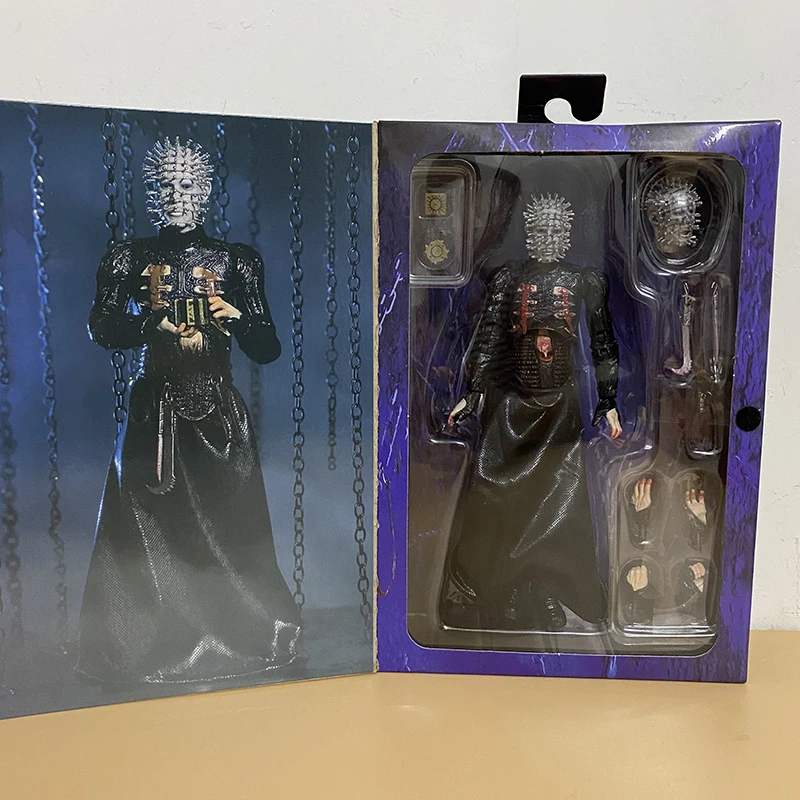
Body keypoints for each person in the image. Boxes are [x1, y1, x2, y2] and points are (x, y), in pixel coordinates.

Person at [78, 138, 300, 683]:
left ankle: (244, 632)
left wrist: (236, 316)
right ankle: (144, 645)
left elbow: (267, 348)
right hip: (153, 419)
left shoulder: (237, 261)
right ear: (152, 193)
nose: (178, 195)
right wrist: (148, 324)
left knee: (232, 529)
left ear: (203, 190)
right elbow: (102, 327)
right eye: (167, 186)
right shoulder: (128, 257)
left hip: (219, 417)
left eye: (187, 184)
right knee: (148, 532)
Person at [439, 193, 621, 632]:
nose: (548, 237)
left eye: (556, 230)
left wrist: (608, 400)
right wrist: (473, 392)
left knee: (561, 503)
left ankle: (545, 587)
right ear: (529, 232)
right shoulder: (507, 279)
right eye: (541, 229)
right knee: (495, 498)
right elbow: (488, 336)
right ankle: (496, 589)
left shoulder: (585, 281)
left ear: (567, 233)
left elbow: (602, 344)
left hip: (560, 409)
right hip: (509, 406)